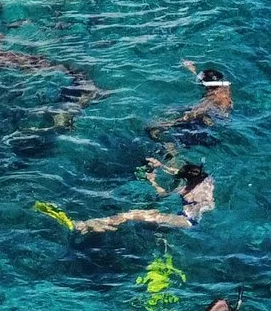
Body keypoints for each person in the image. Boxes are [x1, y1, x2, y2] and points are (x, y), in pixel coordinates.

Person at [69, 161, 216, 234]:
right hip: (191, 218)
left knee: (133, 214)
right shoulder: (207, 180)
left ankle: (92, 225)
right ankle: (105, 224)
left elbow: (162, 194)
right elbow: (179, 173)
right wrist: (161, 166)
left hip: (186, 221)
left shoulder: (185, 191)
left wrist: (152, 180)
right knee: (144, 216)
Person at [147, 61, 234, 143]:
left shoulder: (214, 99)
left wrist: (167, 124)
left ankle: (172, 151)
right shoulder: (223, 87)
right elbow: (208, 81)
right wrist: (192, 69)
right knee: (173, 110)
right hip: (211, 116)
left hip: (209, 123)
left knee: (170, 138)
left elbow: (194, 114)